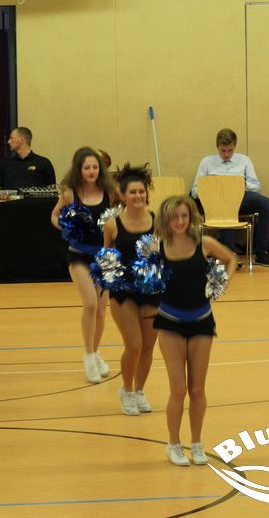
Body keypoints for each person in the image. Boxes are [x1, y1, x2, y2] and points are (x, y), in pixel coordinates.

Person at [153, 195, 237, 466]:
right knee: (178, 390)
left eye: (184, 216)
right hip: (169, 322)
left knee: (198, 390)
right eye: (174, 217)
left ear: (191, 217)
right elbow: (139, 274)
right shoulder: (156, 247)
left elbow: (231, 259)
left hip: (201, 320)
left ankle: (197, 443)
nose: (180, 221)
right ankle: (173, 444)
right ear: (166, 219)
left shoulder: (204, 243)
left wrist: (221, 284)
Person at [51, 147, 117, 383]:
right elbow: (54, 215)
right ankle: (88, 356)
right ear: (79, 169)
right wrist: (65, 226)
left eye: (95, 167)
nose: (91, 171)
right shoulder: (70, 193)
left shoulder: (110, 192)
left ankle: (95, 352)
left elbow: (118, 217)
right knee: (90, 303)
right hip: (78, 255)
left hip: (103, 257)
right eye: (87, 167)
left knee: (101, 311)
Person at [102, 163, 159, 416]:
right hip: (123, 291)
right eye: (133, 192)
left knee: (148, 347)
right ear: (123, 196)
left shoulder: (157, 222)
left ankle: (139, 391)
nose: (138, 196)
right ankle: (126, 390)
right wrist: (108, 284)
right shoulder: (112, 225)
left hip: (151, 290)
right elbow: (106, 259)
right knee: (134, 345)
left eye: (141, 192)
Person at [191, 128, 269, 267]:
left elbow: (256, 186)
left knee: (264, 203)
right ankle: (230, 255)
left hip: (240, 198)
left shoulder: (244, 160)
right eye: (223, 151)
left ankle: (261, 252)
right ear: (217, 147)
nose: (226, 154)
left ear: (235, 146)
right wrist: (213, 187)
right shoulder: (207, 162)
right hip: (216, 202)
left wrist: (239, 185)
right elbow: (195, 191)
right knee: (226, 205)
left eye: (230, 150)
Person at [0, 127, 55, 192]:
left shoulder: (43, 163)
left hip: (35, 199)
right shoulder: (5, 164)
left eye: (11, 138)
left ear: (21, 140)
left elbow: (52, 190)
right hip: (10, 198)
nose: (8, 141)